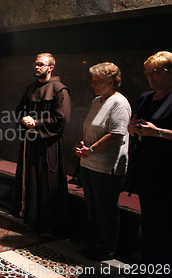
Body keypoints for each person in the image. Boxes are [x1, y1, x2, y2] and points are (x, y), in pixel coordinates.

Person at [74, 62, 131, 261]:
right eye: (93, 80)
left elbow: (116, 133)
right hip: (89, 162)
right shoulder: (97, 101)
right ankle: (97, 242)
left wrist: (91, 149)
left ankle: (108, 248)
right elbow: (88, 125)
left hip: (107, 166)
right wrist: (81, 144)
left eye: (97, 81)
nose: (93, 84)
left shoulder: (119, 103)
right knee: (93, 206)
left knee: (105, 208)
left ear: (111, 82)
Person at [11, 53, 71, 235]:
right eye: (36, 64)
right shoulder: (31, 88)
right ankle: (31, 218)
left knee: (46, 183)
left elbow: (62, 119)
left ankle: (48, 223)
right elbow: (19, 111)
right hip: (30, 143)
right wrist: (23, 120)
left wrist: (36, 123)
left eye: (41, 65)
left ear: (50, 68)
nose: (37, 67)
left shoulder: (60, 90)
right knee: (29, 180)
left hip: (48, 145)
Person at [127, 51, 172, 265]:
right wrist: (131, 127)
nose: (150, 77)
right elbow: (136, 124)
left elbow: (156, 130)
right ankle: (149, 263)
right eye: (147, 73)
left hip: (167, 171)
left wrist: (159, 132)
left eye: (155, 72)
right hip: (146, 169)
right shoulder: (145, 97)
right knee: (149, 218)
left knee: (166, 222)